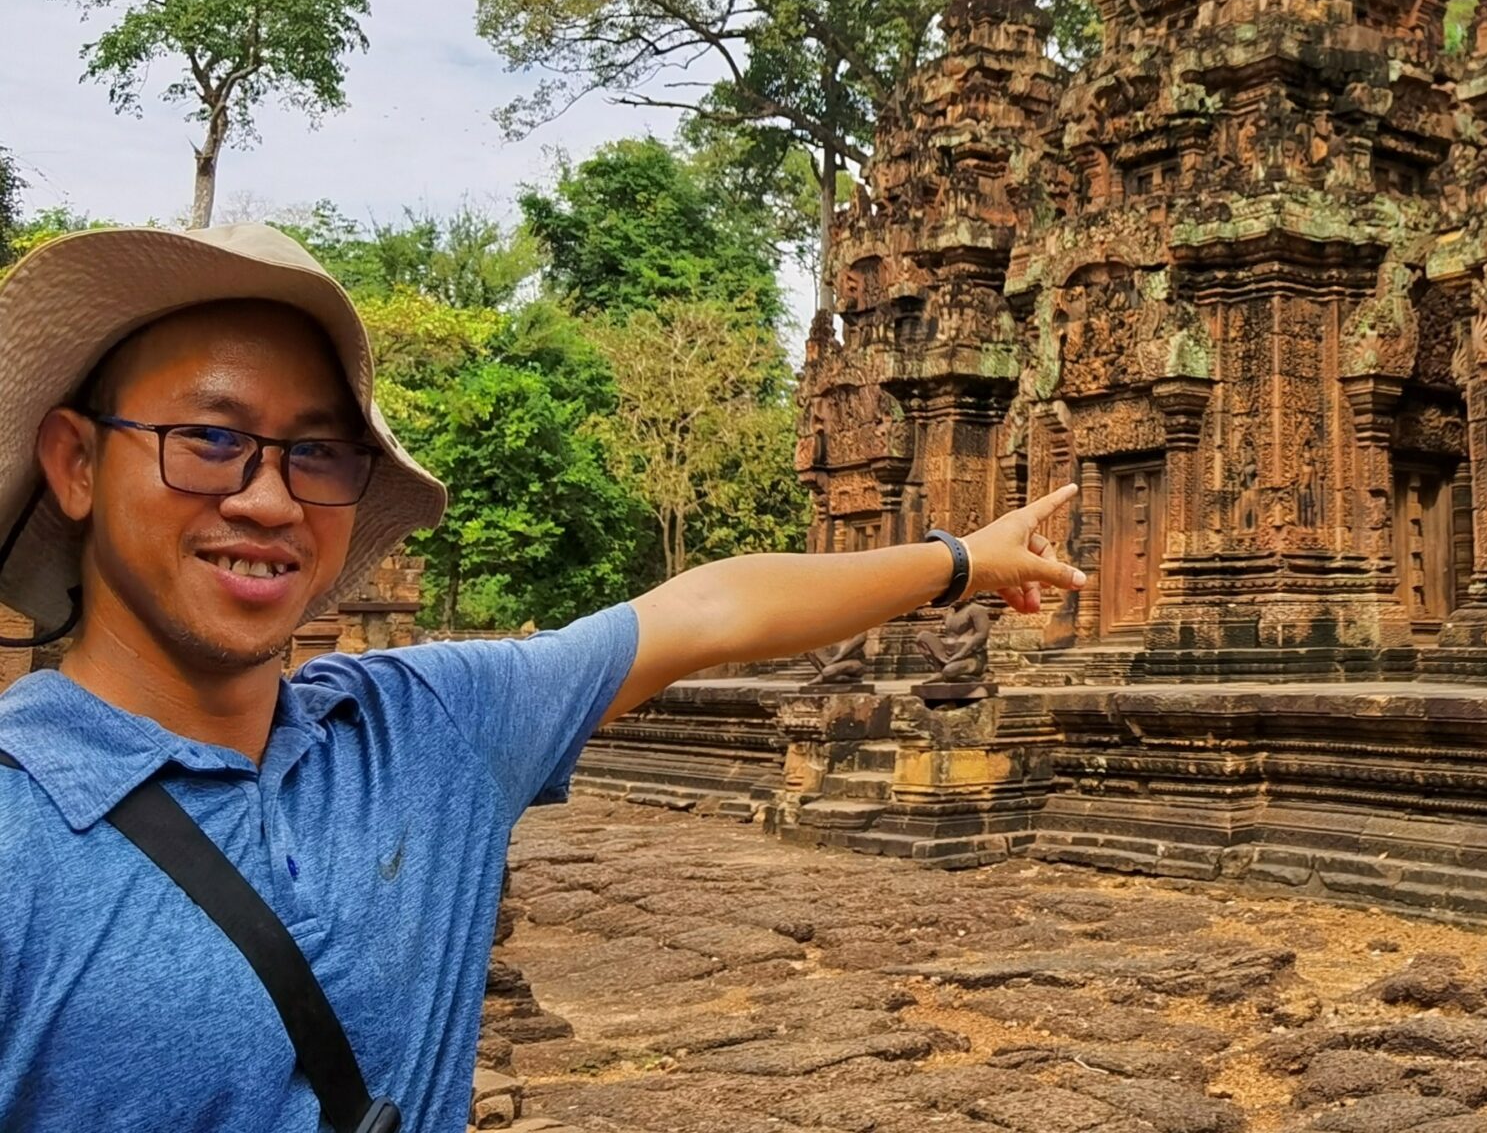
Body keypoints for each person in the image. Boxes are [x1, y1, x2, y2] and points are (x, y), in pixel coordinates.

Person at [0, 223, 1084, 1131]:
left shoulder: (426, 729)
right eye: (208, 437)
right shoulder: (17, 830)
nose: (269, 501)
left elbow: (707, 610)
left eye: (317, 454)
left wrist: (965, 563)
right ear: (76, 463)